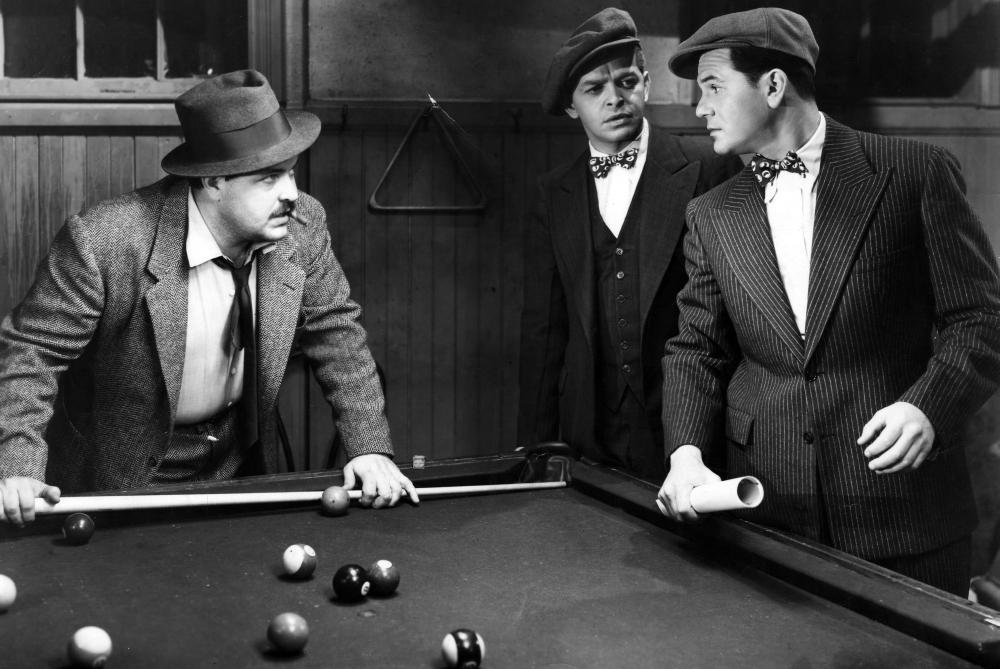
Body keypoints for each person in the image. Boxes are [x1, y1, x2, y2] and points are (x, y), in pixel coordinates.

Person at [655, 8, 1000, 595]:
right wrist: (685, 454)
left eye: (713, 87)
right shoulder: (710, 214)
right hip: (767, 515)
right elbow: (696, 349)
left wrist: (928, 407)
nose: (700, 108)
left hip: (904, 514)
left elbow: (981, 318)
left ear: (773, 85)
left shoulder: (914, 173)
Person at [0, 70, 418, 526]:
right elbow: (32, 353)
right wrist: (17, 467)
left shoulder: (302, 226)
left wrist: (369, 447)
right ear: (214, 181)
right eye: (268, 178)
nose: (291, 195)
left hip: (240, 470)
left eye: (291, 172)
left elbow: (335, 331)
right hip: (116, 481)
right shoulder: (105, 239)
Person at [517, 8, 743, 482]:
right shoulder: (552, 193)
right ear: (571, 106)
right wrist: (533, 452)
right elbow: (544, 330)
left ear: (647, 85)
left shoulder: (709, 167)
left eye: (626, 82)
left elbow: (739, 313)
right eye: (594, 89)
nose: (614, 99)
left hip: (692, 431)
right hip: (590, 433)